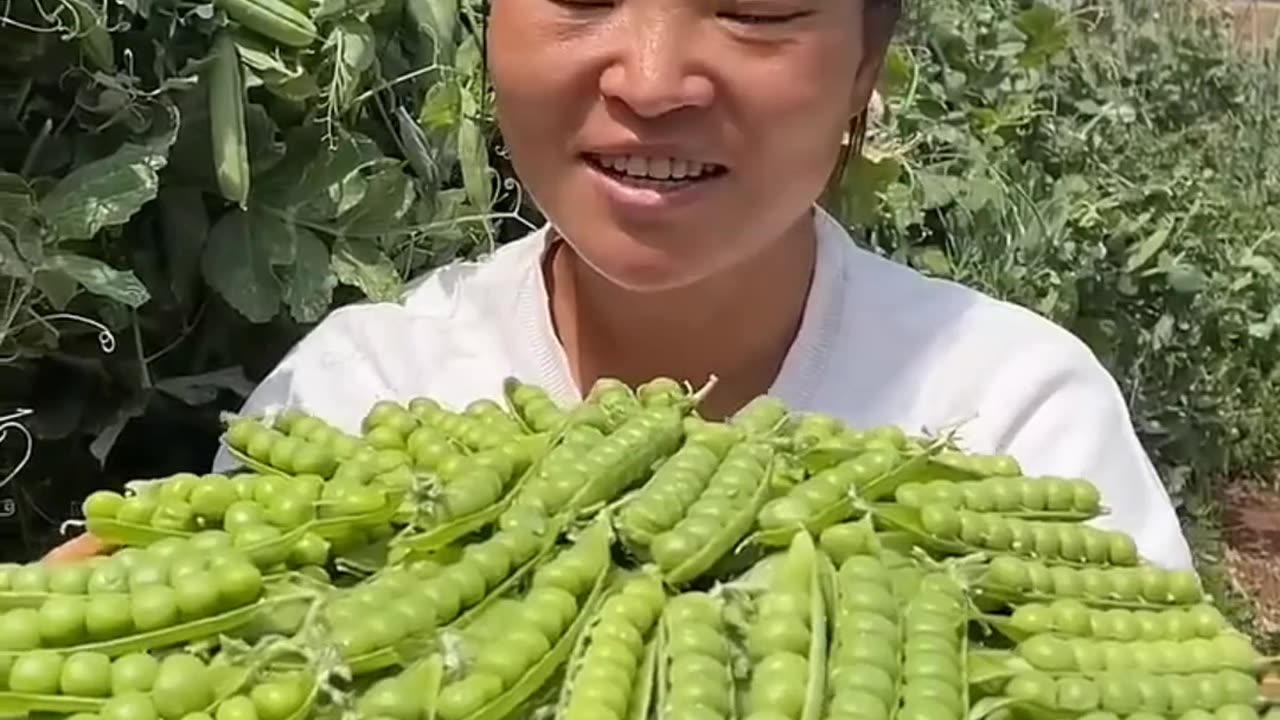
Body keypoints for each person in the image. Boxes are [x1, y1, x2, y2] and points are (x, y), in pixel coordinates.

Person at [48, 0, 1194, 570]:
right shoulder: (359, 393)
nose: (649, 80)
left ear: (864, 72)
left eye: (752, 7)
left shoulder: (1014, 413)